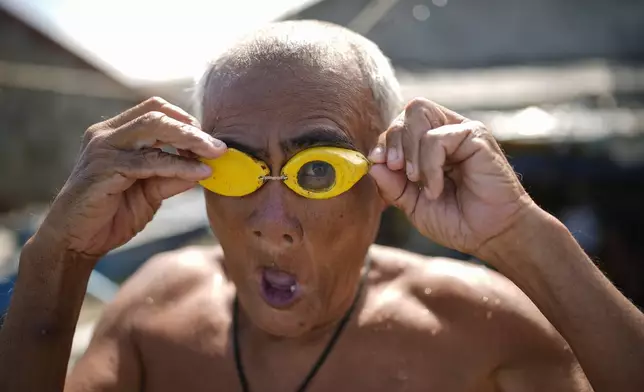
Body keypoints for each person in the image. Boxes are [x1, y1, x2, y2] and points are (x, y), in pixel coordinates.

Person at [1, 20, 642, 392]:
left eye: (318, 171)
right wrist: (57, 257)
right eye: (237, 168)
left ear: (387, 178)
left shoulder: (478, 328)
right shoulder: (155, 316)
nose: (272, 222)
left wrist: (522, 234)